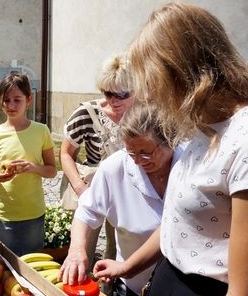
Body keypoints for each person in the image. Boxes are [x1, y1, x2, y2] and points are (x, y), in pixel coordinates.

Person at [93, 1, 248, 296]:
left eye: (151, 80)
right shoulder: (206, 130)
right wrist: (128, 267)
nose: (149, 94)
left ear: (179, 72)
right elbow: (179, 221)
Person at [60, 102, 184, 295]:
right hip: (132, 285)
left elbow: (175, 227)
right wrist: (76, 249)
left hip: (181, 286)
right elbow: (87, 210)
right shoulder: (116, 167)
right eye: (131, 151)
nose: (136, 160)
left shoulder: (190, 165)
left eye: (145, 153)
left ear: (171, 140)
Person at [60, 54, 134, 273]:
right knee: (83, 249)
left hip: (127, 192)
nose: (115, 100)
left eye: (123, 94)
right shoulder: (87, 113)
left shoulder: (142, 113)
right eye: (109, 93)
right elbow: (65, 153)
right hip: (92, 190)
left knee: (118, 252)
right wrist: (80, 188)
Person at [0, 72, 57, 256]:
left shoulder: (41, 131)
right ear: (1, 100)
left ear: (28, 100)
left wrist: (34, 168)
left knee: (33, 264)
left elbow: (52, 170)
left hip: (33, 212)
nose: (11, 105)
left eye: (17, 100)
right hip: (4, 213)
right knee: (5, 263)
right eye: (6, 100)